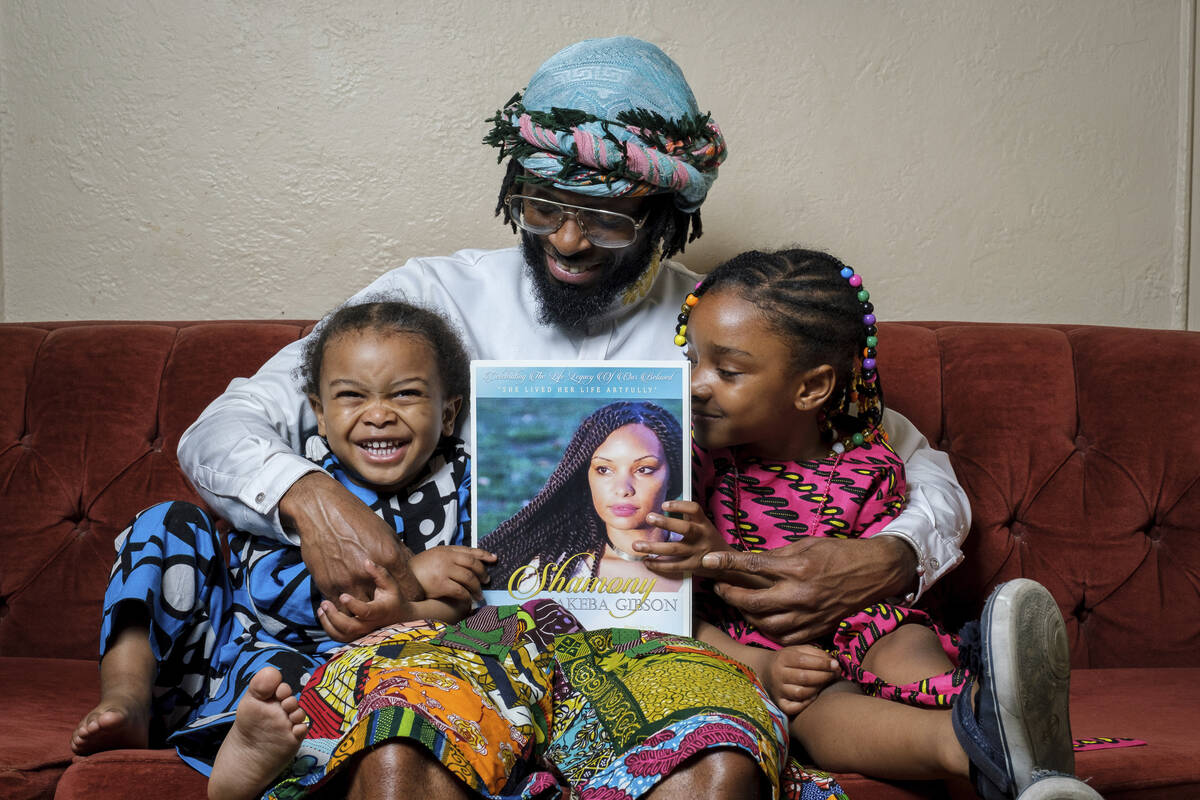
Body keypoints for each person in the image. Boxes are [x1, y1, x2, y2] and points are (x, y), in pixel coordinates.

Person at [175, 36, 970, 797]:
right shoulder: (432, 298)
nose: (566, 239)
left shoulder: (718, 328)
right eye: (541, 205)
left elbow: (900, 451)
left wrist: (897, 554)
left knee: (717, 762)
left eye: (609, 218)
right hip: (460, 639)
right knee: (401, 745)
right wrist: (316, 500)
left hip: (654, 647)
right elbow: (223, 427)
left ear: (666, 213)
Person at [637, 248, 1097, 800]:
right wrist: (717, 572)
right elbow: (669, 600)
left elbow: (870, 582)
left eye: (727, 371)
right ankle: (972, 749)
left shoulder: (870, 467)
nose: (695, 383)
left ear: (810, 388)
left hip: (859, 622)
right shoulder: (685, 461)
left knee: (904, 640)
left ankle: (987, 703)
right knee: (811, 708)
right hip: (744, 642)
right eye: (691, 361)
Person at [70, 301, 493, 780]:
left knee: (365, 686)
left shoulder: (465, 487)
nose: (378, 415)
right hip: (227, 652)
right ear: (321, 413)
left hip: (329, 675)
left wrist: (408, 613)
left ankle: (252, 754)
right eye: (352, 396)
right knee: (169, 522)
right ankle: (127, 697)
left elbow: (464, 604)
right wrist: (412, 575)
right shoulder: (305, 479)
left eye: (406, 395)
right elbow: (270, 592)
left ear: (449, 412)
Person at [482, 400, 685, 591]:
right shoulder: (550, 574)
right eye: (604, 469)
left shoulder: (700, 558)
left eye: (644, 469)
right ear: (586, 477)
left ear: (672, 476)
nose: (623, 489)